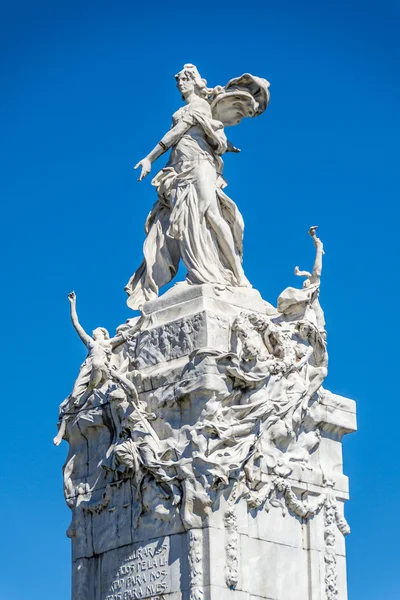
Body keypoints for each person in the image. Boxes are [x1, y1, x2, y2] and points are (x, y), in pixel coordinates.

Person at [125, 64, 270, 310]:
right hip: (178, 168)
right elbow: (202, 133)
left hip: (199, 164)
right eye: (179, 81)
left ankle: (238, 274)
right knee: (188, 222)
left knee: (209, 213)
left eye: (185, 79)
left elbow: (179, 132)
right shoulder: (190, 109)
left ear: (196, 82)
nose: (181, 83)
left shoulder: (199, 106)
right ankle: (200, 270)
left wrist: (150, 158)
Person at [53, 292, 133, 446]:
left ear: (102, 333)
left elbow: (128, 334)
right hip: (86, 371)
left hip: (101, 369)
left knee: (98, 366)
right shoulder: (91, 343)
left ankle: (91, 391)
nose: (92, 332)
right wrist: (73, 304)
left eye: (96, 330)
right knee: (74, 396)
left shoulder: (108, 343)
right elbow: (76, 324)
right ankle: (62, 431)